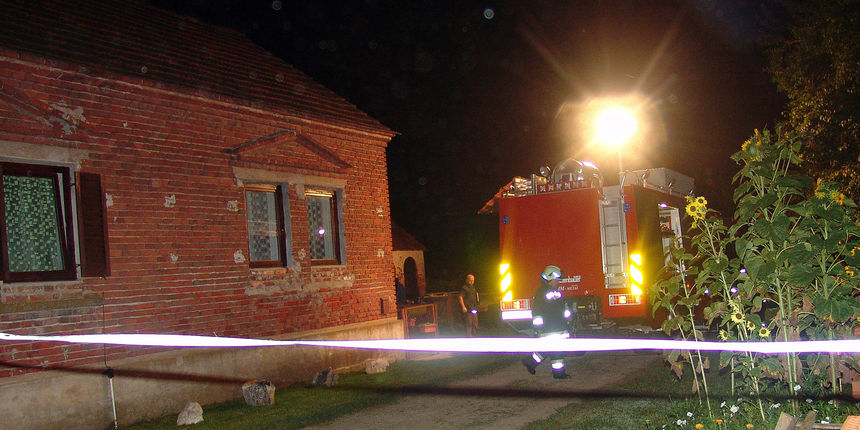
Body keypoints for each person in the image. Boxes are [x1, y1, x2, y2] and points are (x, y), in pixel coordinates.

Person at [522, 265, 572, 379]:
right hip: (549, 328)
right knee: (555, 350)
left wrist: (567, 320)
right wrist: (538, 327)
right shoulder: (541, 293)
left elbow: (562, 309)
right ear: (550, 279)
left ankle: (531, 362)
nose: (558, 282)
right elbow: (537, 311)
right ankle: (557, 373)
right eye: (556, 280)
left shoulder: (557, 292)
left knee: (552, 350)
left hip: (558, 327)